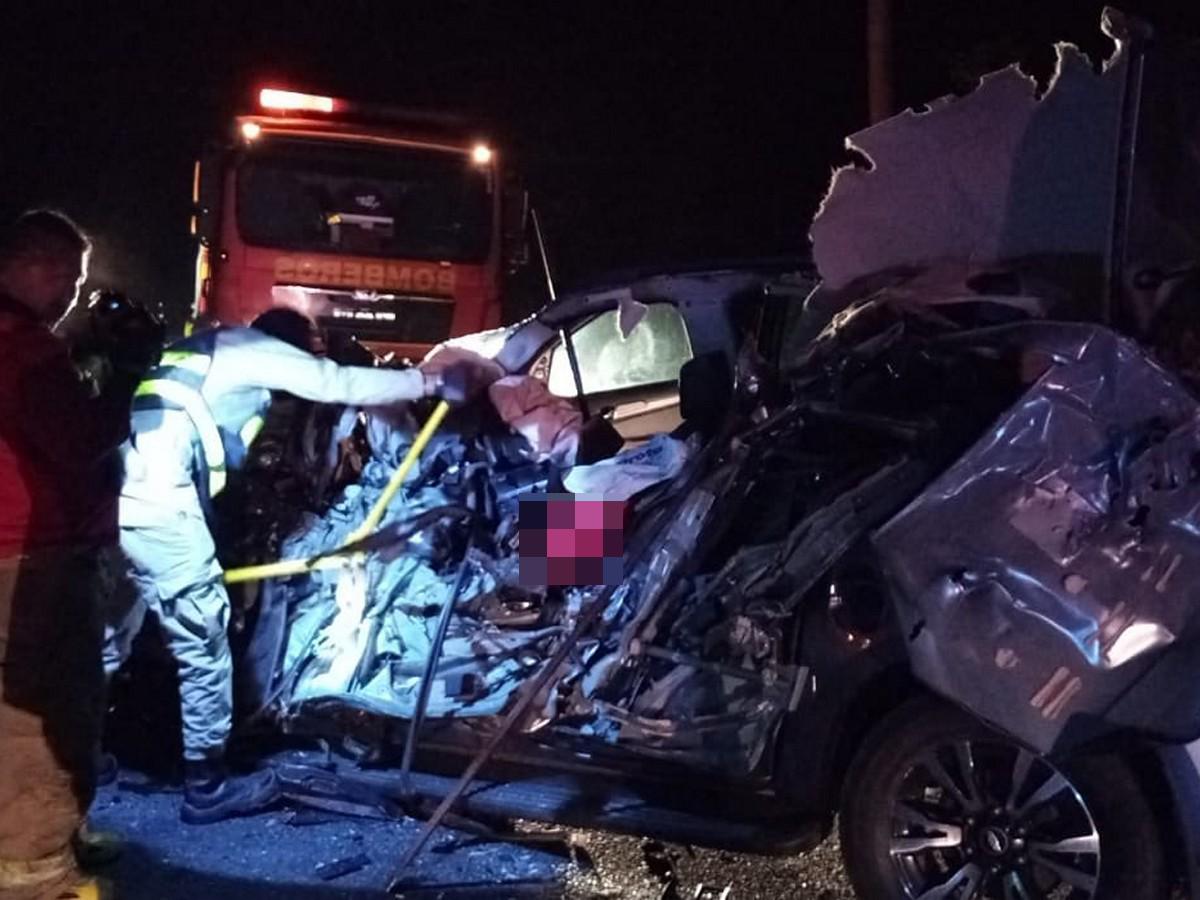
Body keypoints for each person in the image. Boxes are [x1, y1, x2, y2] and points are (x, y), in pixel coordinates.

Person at [103, 308, 485, 824]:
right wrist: (427, 380)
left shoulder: (201, 349)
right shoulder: (251, 350)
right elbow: (334, 382)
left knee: (111, 635)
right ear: (287, 347)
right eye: (305, 350)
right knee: (204, 640)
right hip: (160, 509)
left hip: (119, 498)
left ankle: (81, 752)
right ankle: (206, 786)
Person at [0, 211, 145, 900]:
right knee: (43, 712)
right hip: (32, 554)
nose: (68, 292)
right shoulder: (22, 348)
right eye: (62, 275)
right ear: (26, 264)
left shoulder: (29, 346)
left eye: (77, 280)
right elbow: (79, 439)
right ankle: (37, 874)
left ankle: (57, 831)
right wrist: (124, 376)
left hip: (21, 551)